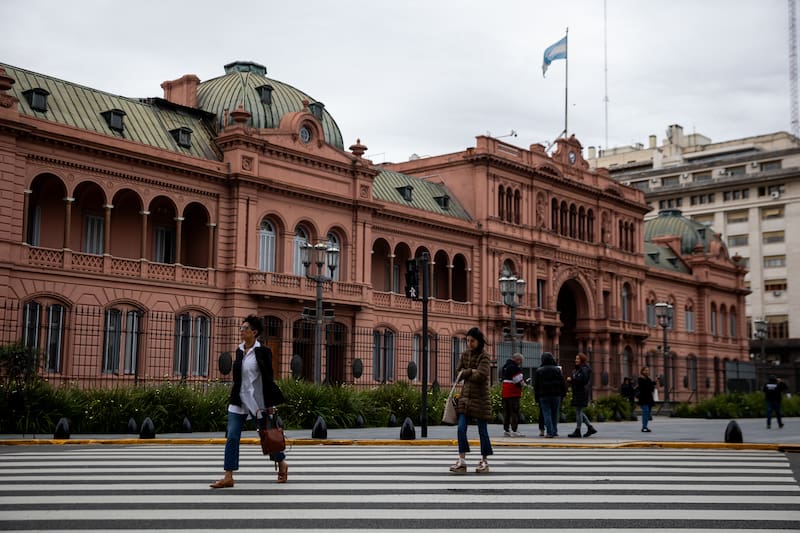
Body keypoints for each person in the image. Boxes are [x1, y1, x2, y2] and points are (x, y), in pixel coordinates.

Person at [210, 315, 287, 488]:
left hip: (257, 401)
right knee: (232, 436)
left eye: (245, 328)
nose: (241, 331)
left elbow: (268, 378)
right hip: (238, 400)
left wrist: (270, 404)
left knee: (266, 436)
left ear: (254, 332)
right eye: (241, 328)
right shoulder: (238, 350)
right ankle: (228, 476)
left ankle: (282, 464)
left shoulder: (263, 351)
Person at [449, 327, 493, 474]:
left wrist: (467, 372)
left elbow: (482, 375)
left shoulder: (484, 356)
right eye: (467, 340)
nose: (469, 343)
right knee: (461, 428)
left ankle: (484, 461)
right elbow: (458, 373)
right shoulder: (465, 354)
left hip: (481, 398)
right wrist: (470, 371)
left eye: (472, 341)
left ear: (479, 341)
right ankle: (462, 460)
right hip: (465, 397)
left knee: (483, 431)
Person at [534, 351, 566, 438]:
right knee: (555, 413)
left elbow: (536, 385)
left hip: (543, 395)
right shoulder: (557, 370)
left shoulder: (539, 371)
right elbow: (562, 383)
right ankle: (554, 430)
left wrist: (536, 397)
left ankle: (549, 431)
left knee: (546, 413)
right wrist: (563, 394)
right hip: (556, 394)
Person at [566, 352, 597, 438]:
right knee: (579, 411)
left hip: (581, 392)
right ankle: (590, 428)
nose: (576, 360)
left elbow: (582, 379)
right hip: (578, 392)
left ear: (582, 360)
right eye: (576, 358)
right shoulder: (580, 368)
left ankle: (578, 430)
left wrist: (572, 379)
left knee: (578, 412)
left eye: (578, 359)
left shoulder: (584, 368)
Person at [501, 352, 525, 437]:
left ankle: (506, 429)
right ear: (517, 359)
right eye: (520, 361)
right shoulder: (514, 368)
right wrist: (523, 384)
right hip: (513, 393)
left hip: (505, 392)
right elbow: (518, 380)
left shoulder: (505, 366)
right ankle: (514, 430)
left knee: (507, 412)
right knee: (514, 411)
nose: (521, 363)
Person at [636, 367, 656, 433]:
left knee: (648, 413)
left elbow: (652, 389)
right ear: (642, 371)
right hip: (643, 398)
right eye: (645, 370)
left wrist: (653, 383)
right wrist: (652, 383)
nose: (647, 371)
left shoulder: (649, 379)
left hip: (649, 398)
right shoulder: (640, 379)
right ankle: (644, 427)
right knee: (645, 411)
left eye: (648, 370)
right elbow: (644, 387)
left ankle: (646, 426)